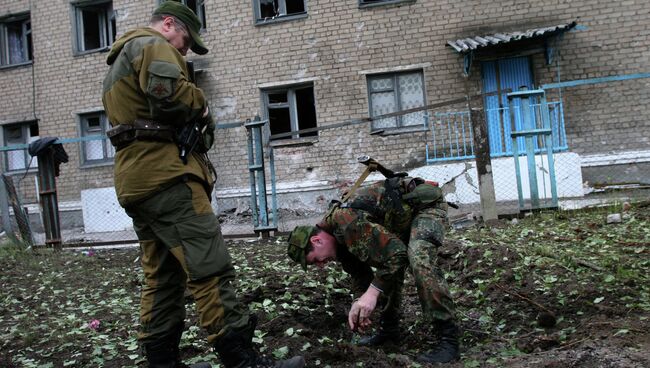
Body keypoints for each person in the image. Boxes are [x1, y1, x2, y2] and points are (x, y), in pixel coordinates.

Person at [101, 2, 304, 368]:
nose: (185, 49)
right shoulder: (153, 45)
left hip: (136, 179)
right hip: (168, 179)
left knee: (162, 276)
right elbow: (166, 92)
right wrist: (203, 105)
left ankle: (162, 363)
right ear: (167, 24)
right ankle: (242, 361)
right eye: (185, 40)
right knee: (209, 268)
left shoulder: (120, 59)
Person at [287, 176, 460, 364]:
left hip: (425, 206)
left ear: (317, 240)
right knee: (386, 269)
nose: (321, 265)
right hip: (397, 219)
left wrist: (372, 294)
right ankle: (389, 330)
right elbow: (361, 275)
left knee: (419, 258)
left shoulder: (346, 222)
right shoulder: (338, 242)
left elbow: (397, 255)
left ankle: (448, 339)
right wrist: (359, 302)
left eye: (315, 260)